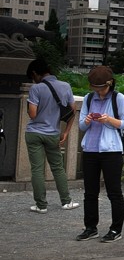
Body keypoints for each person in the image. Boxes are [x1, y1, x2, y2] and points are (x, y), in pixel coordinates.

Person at [76, 66, 124, 243]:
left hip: (111, 150)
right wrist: (87, 120)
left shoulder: (118, 98)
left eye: (101, 88)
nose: (99, 92)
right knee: (90, 192)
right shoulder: (88, 98)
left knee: (114, 191)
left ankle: (116, 229)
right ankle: (90, 227)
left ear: (109, 84)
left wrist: (109, 120)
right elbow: (82, 126)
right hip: (90, 149)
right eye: (95, 88)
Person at [25, 58, 77, 213]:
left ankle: (41, 205)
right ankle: (66, 201)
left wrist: (30, 108)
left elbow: (33, 114)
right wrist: (66, 132)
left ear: (35, 73)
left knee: (37, 170)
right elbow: (72, 111)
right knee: (58, 168)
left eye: (32, 76)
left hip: (34, 133)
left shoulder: (36, 88)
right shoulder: (65, 86)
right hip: (53, 134)